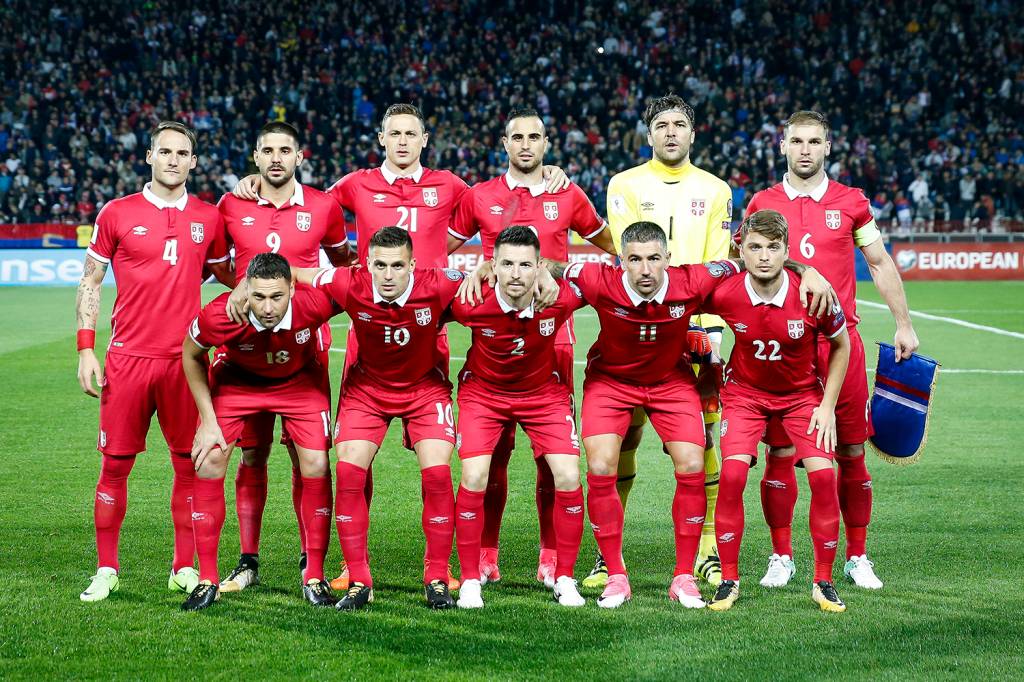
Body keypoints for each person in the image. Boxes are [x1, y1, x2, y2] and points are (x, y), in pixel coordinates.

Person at [232, 103, 569, 591]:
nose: (404, 141)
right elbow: (307, 206)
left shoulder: (452, 186)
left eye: (412, 133)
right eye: (395, 134)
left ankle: (444, 567)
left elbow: (507, 199)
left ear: (425, 139)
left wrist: (547, 175)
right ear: (382, 138)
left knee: (439, 463)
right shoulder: (353, 184)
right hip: (367, 328)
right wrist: (258, 188)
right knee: (353, 455)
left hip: (427, 325)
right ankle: (350, 562)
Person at [744, 111, 919, 590]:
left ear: (828, 147)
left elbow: (879, 263)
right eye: (796, 141)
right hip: (782, 348)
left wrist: (903, 325)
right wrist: (803, 270)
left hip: (841, 345)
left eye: (814, 141)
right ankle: (782, 556)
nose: (805, 149)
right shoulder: (763, 202)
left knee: (850, 452)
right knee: (781, 452)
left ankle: (857, 556)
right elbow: (747, 261)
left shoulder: (852, 203)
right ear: (782, 145)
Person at [448, 106, 616, 587]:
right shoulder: (481, 195)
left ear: (547, 143)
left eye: (534, 137)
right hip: (495, 331)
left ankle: (550, 553)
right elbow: (441, 252)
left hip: (553, 338)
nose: (526, 144)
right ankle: (486, 551)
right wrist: (476, 270)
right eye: (516, 137)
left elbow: (608, 246)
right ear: (505, 144)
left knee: (552, 460)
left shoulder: (568, 193)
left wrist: (554, 271)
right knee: (492, 457)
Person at [76, 121, 231, 602]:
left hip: (186, 362)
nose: (172, 159)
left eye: (182, 153)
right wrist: (85, 348)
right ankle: (106, 568)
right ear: (149, 156)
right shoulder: (117, 213)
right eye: (164, 151)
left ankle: (183, 567)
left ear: (193, 161)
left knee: (190, 467)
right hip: (127, 360)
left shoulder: (209, 217)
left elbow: (233, 277)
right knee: (115, 467)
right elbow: (90, 281)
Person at [585, 94, 734, 589]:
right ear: (648, 134)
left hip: (699, 326)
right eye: (662, 125)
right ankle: (610, 557)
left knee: (704, 444)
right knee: (623, 438)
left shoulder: (716, 190)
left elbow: (716, 265)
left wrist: (703, 331)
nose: (671, 133)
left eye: (680, 125)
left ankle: (707, 548)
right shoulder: (624, 184)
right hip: (637, 327)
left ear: (693, 134)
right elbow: (633, 256)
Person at [215, 121, 352, 593]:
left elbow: (343, 266)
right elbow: (218, 265)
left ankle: (311, 564)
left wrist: (302, 284)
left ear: (300, 156)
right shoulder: (231, 204)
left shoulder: (323, 206)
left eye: (285, 150)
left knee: (309, 458)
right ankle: (247, 561)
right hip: (244, 357)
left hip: (304, 356)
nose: (276, 158)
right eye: (268, 150)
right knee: (251, 455)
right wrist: (239, 288)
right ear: (255, 156)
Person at [303, 226, 466, 610]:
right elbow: (301, 274)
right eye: (380, 265)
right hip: (367, 392)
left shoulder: (439, 283)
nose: (389, 275)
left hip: (425, 390)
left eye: (397, 266)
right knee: (347, 472)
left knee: (439, 473)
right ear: (367, 265)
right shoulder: (347, 283)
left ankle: (437, 575)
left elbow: (489, 276)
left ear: (413, 265)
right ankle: (360, 579)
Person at [701, 209, 851, 613]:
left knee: (824, 478)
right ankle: (729, 580)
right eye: (754, 247)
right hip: (745, 394)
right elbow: (683, 307)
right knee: (731, 474)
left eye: (773, 247)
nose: (764, 256)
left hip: (802, 396)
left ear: (787, 250)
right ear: (741, 249)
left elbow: (842, 347)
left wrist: (827, 406)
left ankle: (823, 581)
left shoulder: (813, 293)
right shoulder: (725, 293)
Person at [181, 253, 338, 611]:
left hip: (300, 382)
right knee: (209, 460)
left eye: (277, 297)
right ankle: (208, 579)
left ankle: (313, 575)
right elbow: (190, 355)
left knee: (316, 463)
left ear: (293, 290)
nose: (268, 307)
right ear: (245, 290)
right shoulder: (221, 315)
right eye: (259, 297)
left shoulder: (315, 303)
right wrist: (207, 421)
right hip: (237, 381)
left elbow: (359, 283)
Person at [447, 226, 587, 608]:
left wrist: (555, 273)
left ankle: (565, 578)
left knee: (569, 474)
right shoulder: (470, 301)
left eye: (525, 264)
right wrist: (471, 274)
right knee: (475, 474)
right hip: (484, 395)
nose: (515, 273)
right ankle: (472, 579)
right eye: (506, 264)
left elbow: (604, 282)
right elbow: (425, 291)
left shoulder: (559, 300)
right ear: (492, 265)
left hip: (543, 394)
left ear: (539, 267)